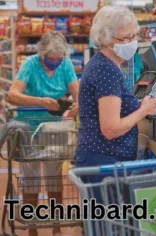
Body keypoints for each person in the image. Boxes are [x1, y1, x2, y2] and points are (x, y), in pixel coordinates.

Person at [74, 6, 156, 200]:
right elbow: (111, 129)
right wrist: (143, 110)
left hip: (100, 159)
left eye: (134, 36)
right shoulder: (107, 70)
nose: (132, 43)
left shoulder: (103, 65)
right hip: (105, 161)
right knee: (108, 225)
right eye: (125, 39)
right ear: (106, 39)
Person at [7, 31, 79, 236]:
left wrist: (77, 105)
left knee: (55, 177)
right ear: (41, 54)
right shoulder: (30, 64)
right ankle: (32, 229)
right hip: (28, 127)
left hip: (54, 128)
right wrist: (41, 101)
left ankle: (56, 227)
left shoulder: (65, 64)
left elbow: (77, 91)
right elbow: (13, 94)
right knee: (30, 179)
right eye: (50, 59)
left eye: (58, 59)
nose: (54, 63)